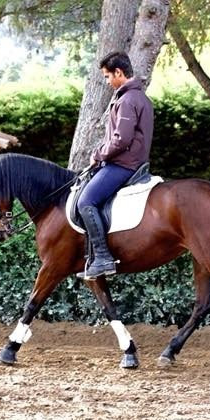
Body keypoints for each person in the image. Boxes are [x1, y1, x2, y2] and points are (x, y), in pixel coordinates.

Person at [76, 51, 154, 280]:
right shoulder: (140, 98)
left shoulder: (128, 100)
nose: (108, 82)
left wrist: (99, 154)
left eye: (108, 76)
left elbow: (121, 140)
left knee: (86, 201)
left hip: (123, 164)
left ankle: (102, 257)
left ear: (119, 73)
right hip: (133, 161)